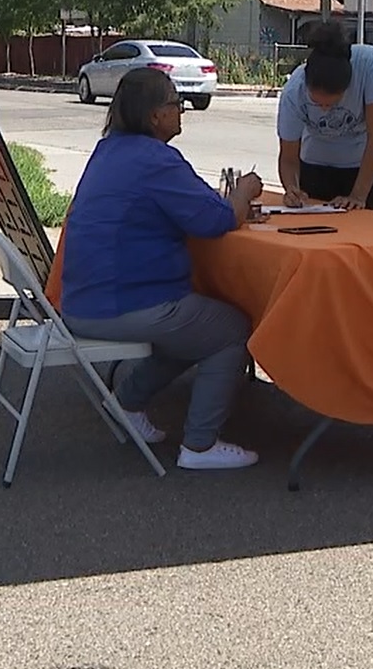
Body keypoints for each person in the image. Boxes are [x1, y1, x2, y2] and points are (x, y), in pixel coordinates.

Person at [60, 67, 265, 470]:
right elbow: (215, 220)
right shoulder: (156, 159)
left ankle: (128, 404)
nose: (182, 110)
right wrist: (244, 192)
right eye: (175, 103)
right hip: (120, 305)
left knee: (193, 327)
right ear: (155, 116)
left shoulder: (110, 150)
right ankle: (200, 446)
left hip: (82, 300)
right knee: (228, 328)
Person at [277, 20, 373, 211]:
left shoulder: (370, 63)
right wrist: (292, 188)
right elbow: (289, 156)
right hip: (316, 167)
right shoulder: (293, 92)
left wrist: (358, 195)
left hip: (369, 168)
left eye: (332, 103)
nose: (325, 109)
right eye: (318, 103)